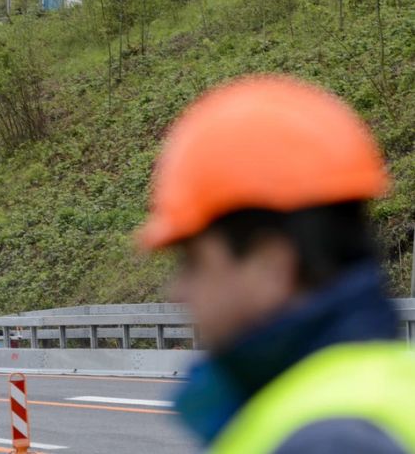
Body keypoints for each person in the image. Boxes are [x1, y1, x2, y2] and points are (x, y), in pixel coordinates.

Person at [137, 75, 415, 454]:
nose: (178, 291)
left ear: (270, 265)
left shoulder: (327, 440)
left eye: (193, 262)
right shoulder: (389, 385)